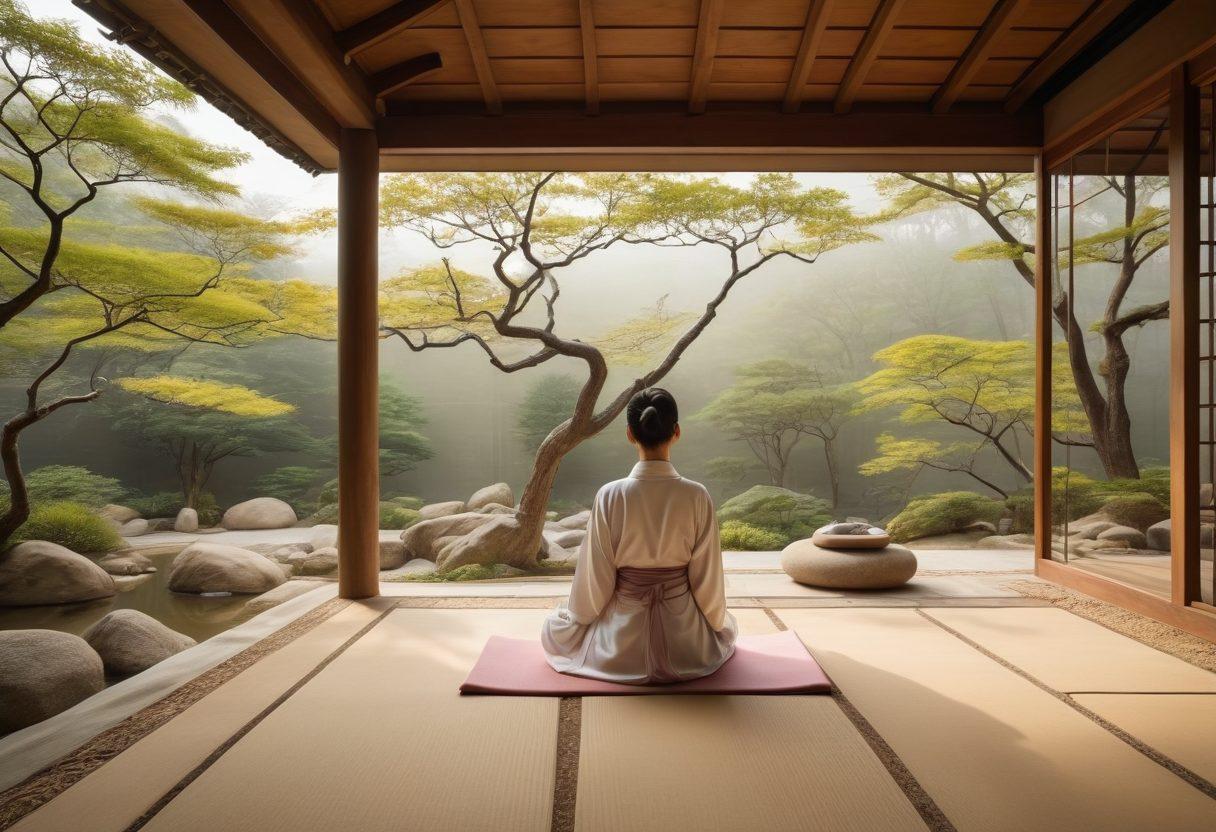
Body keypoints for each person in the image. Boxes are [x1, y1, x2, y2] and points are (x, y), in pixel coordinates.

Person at [541, 387, 738, 684]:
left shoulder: (610, 495)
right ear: (677, 432)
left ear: (630, 434)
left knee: (553, 629)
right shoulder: (697, 495)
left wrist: (580, 620)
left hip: (619, 644)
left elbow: (597, 576)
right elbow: (706, 577)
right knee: (728, 625)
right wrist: (715, 624)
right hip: (686, 642)